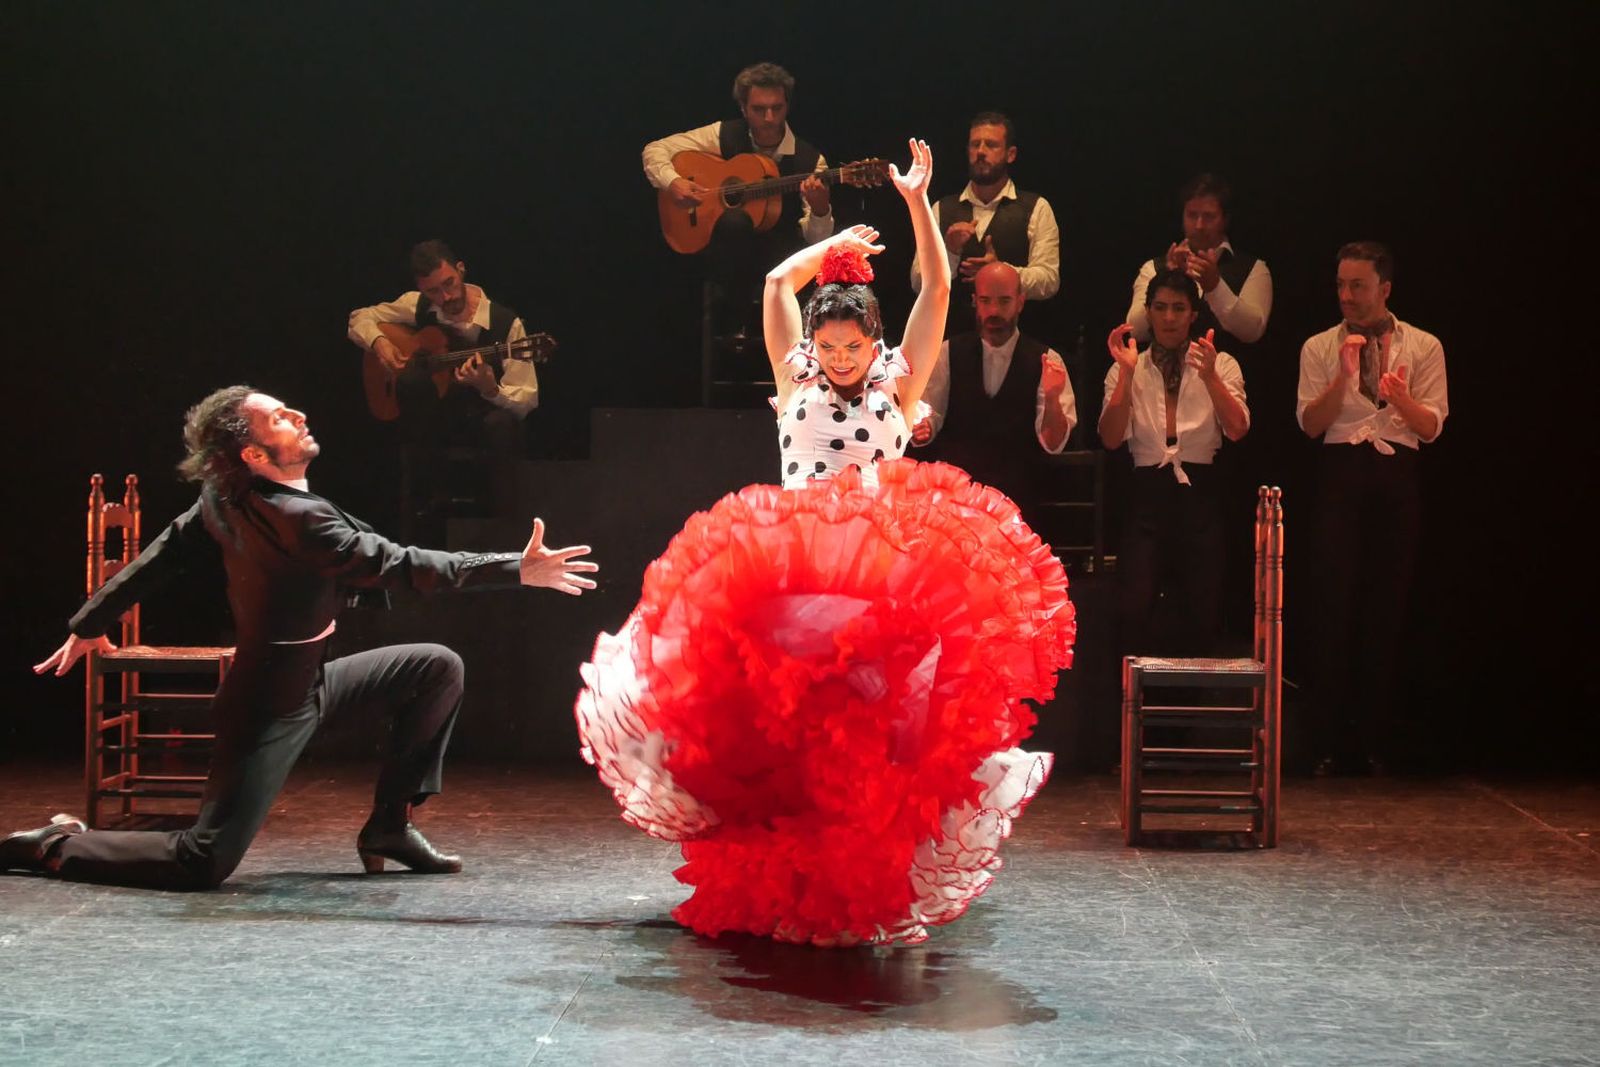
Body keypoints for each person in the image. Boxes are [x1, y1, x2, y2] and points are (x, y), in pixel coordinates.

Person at [576, 141, 1076, 947]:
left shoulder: (897, 383)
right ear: (816, 346)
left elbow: (940, 288)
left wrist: (918, 202)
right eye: (832, 347)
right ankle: (784, 879)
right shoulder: (796, 382)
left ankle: (868, 882)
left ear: (874, 346)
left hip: (879, 573)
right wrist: (831, 253)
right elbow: (777, 285)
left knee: (879, 743)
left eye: (854, 347)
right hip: (794, 569)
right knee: (786, 737)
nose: (843, 360)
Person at [4, 387, 596, 889]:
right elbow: (403, 564)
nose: (300, 416)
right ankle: (55, 845)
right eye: (280, 418)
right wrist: (514, 567)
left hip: (309, 682)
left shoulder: (225, 497)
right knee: (202, 860)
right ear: (255, 453)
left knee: (436, 666)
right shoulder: (298, 520)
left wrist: (89, 623)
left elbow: (161, 557)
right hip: (266, 707)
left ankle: (391, 823)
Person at [1297, 241, 1447, 775]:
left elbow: (1429, 427)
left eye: (1357, 286)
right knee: (1331, 608)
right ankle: (1325, 743)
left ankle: (1377, 740)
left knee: (1387, 608)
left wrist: (1400, 398)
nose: (1346, 296)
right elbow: (1311, 425)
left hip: (1396, 477)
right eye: (1340, 285)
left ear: (1384, 288)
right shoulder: (1318, 345)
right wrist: (1343, 375)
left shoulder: (1424, 345)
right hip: (1340, 476)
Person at [1100, 270, 1250, 655]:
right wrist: (1127, 374)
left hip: (1200, 492)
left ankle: (1193, 710)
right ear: (1148, 312)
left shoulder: (1223, 363)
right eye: (1161, 308)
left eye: (1178, 308)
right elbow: (1111, 438)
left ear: (1193, 315)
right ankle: (1134, 709)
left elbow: (1237, 429)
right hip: (1146, 494)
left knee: (1201, 611)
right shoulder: (1127, 364)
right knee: (1135, 608)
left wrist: (1212, 377)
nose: (1169, 318)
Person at [348, 240, 540, 534]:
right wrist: (380, 342)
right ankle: (423, 518)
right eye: (433, 291)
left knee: (503, 425)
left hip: (484, 417)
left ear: (461, 270)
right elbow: (359, 317)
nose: (445, 296)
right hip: (435, 421)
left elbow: (527, 401)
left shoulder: (505, 324)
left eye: (449, 284)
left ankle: (506, 531)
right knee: (412, 387)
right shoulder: (418, 305)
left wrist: (490, 389)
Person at [643, 62, 834, 334]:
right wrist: (673, 182)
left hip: (777, 259)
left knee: (742, 227)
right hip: (722, 255)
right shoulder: (725, 134)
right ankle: (733, 324)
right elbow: (655, 149)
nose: (769, 118)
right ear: (744, 109)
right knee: (734, 223)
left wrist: (820, 209)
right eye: (758, 109)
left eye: (777, 108)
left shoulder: (810, 161)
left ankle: (742, 325)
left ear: (787, 106)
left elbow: (817, 244)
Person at [915, 260, 1077, 525]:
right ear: (974, 302)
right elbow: (930, 414)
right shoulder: (948, 352)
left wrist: (1051, 398)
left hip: (1018, 501)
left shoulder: (1047, 360)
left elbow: (1053, 443)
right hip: (956, 498)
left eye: (1004, 301)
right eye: (986, 301)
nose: (994, 311)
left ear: (1020, 302)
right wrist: (924, 427)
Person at [910, 112, 1060, 335]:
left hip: (1018, 343)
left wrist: (1000, 272)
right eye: (975, 145)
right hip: (951, 341)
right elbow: (917, 282)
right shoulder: (942, 208)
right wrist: (949, 253)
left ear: (1011, 154)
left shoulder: (1036, 207)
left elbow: (1049, 280)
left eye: (990, 145)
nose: (980, 151)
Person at [1125, 173, 1272, 350]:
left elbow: (1252, 332)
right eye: (1192, 215)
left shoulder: (1253, 268)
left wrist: (1215, 287)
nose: (1199, 225)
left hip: (1224, 374)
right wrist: (1167, 279)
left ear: (1225, 220)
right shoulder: (1154, 268)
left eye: (1209, 216)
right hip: (1162, 375)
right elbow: (1135, 331)